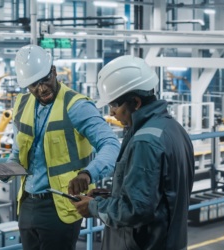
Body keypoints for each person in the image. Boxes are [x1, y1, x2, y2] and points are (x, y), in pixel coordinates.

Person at [0, 44, 120, 249]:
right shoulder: (22, 104)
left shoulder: (77, 106)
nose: (41, 88)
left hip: (59, 205)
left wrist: (88, 174)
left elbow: (111, 144)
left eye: (45, 80)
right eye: (34, 85)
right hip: (27, 203)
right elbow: (18, 156)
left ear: (53, 71)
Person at [72, 55, 195, 250]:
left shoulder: (145, 142)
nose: (111, 112)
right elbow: (159, 193)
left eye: (114, 105)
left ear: (135, 102)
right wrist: (109, 195)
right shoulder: (174, 129)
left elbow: (136, 210)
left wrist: (94, 207)